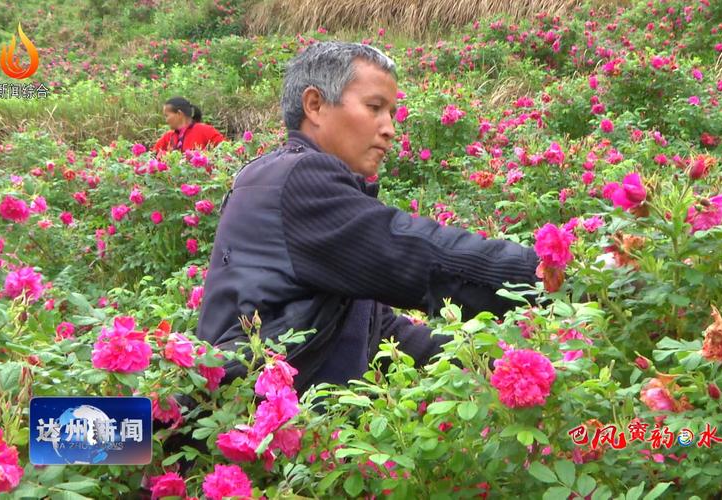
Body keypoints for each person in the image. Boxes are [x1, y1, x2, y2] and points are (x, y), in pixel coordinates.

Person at [194, 41, 540, 393]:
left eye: (391, 112)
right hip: (247, 423)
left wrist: (498, 360)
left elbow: (378, 331)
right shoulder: (300, 178)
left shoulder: (277, 175)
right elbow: (418, 256)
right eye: (374, 107)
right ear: (314, 105)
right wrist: (543, 274)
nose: (389, 128)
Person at [152, 97, 225, 155]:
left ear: (179, 114)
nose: (166, 120)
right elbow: (151, 156)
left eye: (166, 116)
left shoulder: (205, 130)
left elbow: (226, 150)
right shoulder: (168, 137)